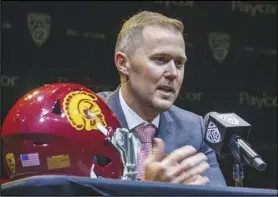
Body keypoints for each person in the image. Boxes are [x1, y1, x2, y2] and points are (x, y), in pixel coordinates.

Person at [97, 10, 227, 186]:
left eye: (179, 63)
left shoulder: (194, 130)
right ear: (123, 63)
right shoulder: (86, 119)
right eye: (160, 59)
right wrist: (150, 190)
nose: (173, 73)